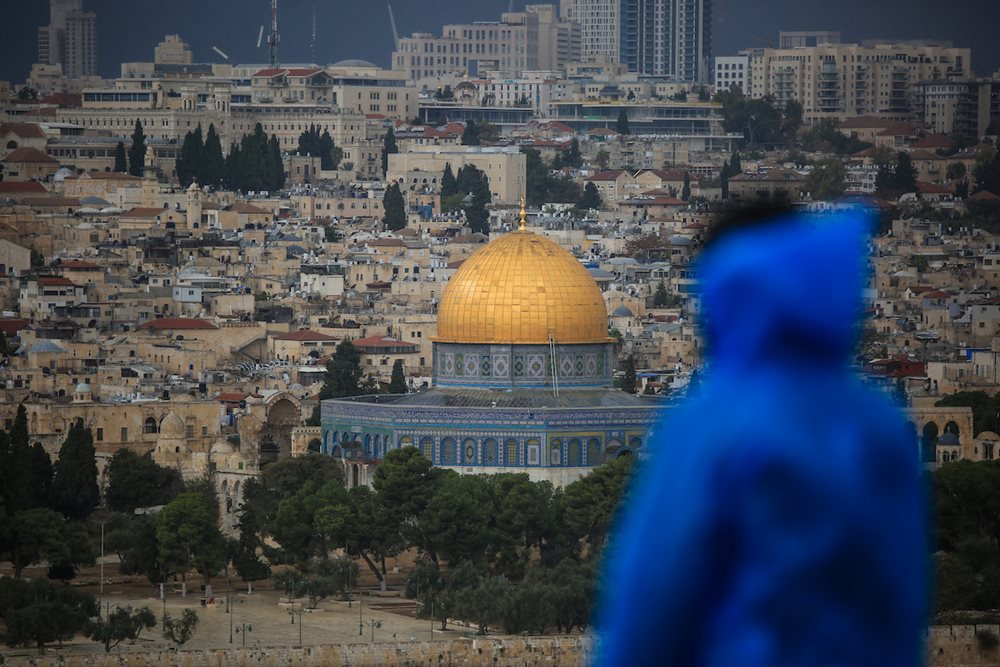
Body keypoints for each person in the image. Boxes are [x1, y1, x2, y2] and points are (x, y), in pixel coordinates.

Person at [596, 207, 928, 666]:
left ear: (730, 290)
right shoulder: (878, 420)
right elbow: (902, 591)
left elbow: (657, 590)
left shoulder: (714, 421)